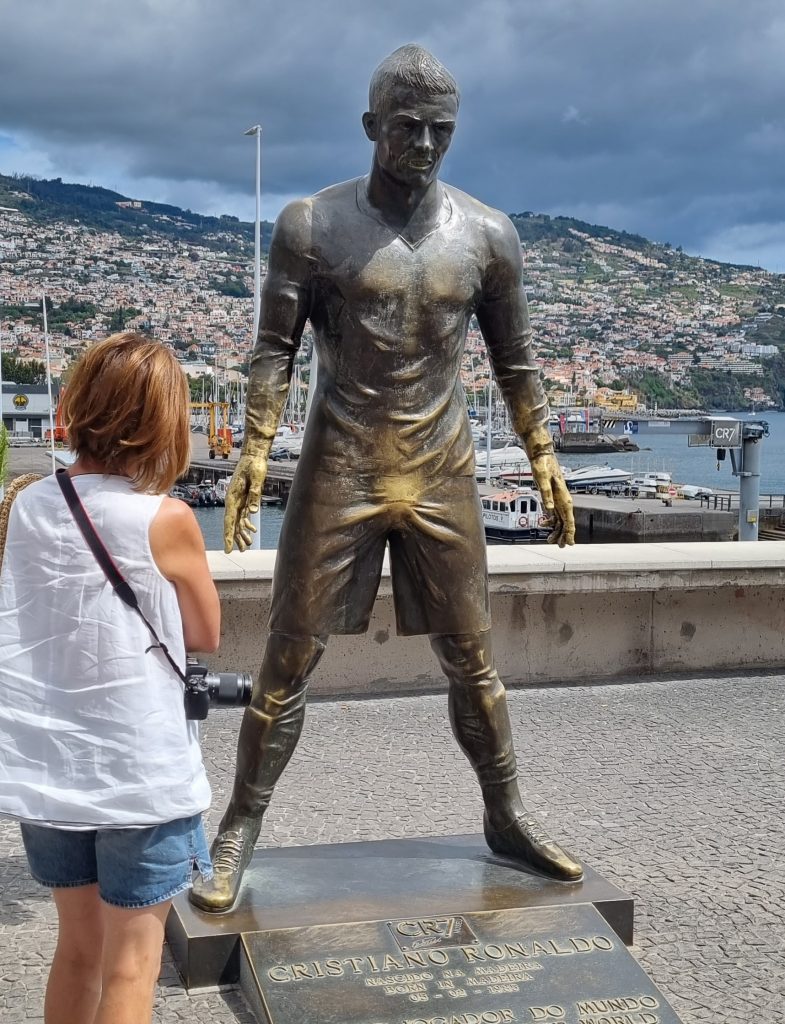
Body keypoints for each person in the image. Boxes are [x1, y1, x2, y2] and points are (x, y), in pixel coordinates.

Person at [191, 44, 580, 914]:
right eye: (407, 126)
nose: (424, 143)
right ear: (371, 127)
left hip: (441, 467)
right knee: (289, 655)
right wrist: (255, 448)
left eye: (441, 129)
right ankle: (240, 826)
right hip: (341, 463)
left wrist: (544, 455)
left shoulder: (487, 235)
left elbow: (516, 363)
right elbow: (273, 351)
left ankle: (505, 813)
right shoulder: (311, 226)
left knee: (473, 659)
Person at [0, 332, 220, 1024]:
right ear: (163, 422)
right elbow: (203, 635)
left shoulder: (26, 502)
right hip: (138, 775)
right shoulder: (168, 518)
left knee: (78, 951)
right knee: (133, 966)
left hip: (50, 770)